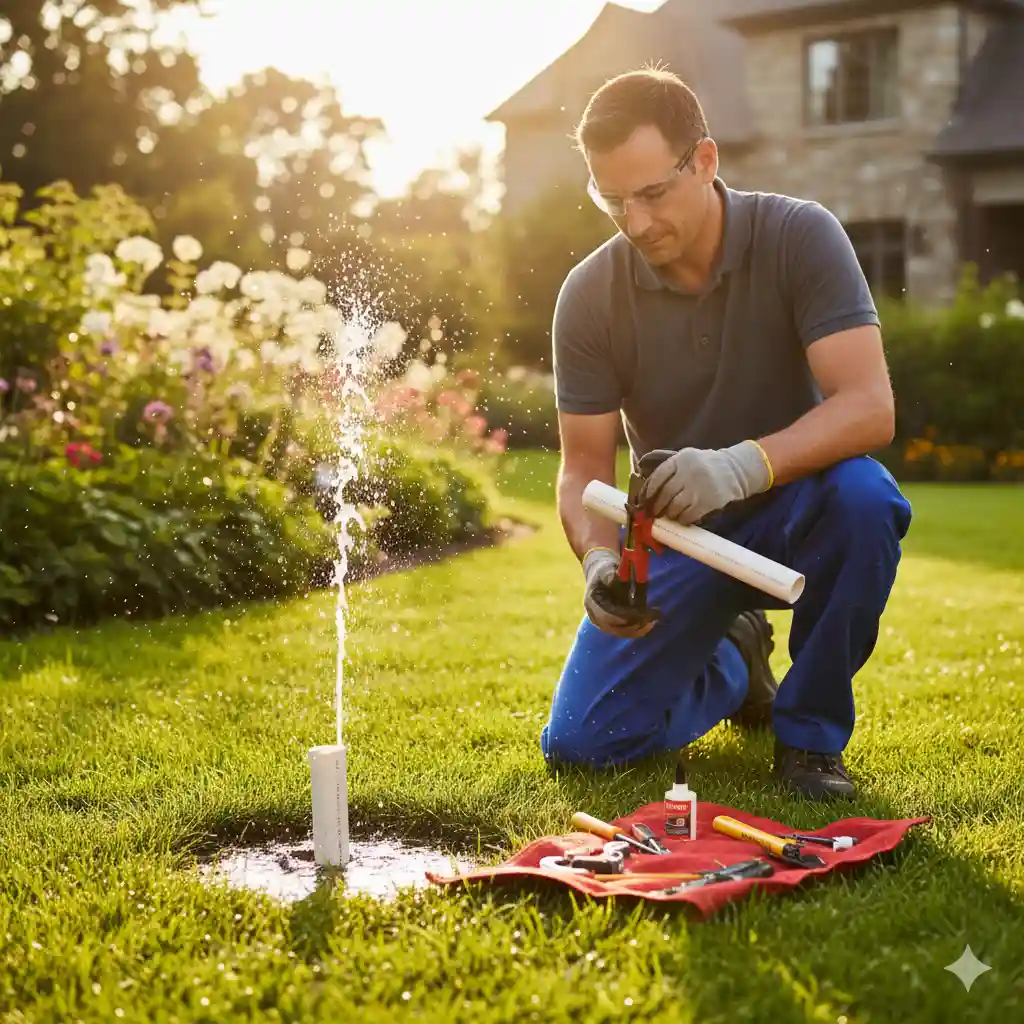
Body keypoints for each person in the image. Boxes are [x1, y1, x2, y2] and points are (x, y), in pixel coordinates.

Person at [540, 68, 913, 800]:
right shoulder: (589, 294)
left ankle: (810, 740)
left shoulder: (799, 236)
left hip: (801, 510)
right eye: (612, 201)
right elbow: (582, 467)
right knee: (584, 744)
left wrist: (740, 468)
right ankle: (737, 661)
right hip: (678, 535)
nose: (635, 223)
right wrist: (598, 558)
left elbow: (870, 407)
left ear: (704, 160)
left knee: (866, 499)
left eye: (652, 193)